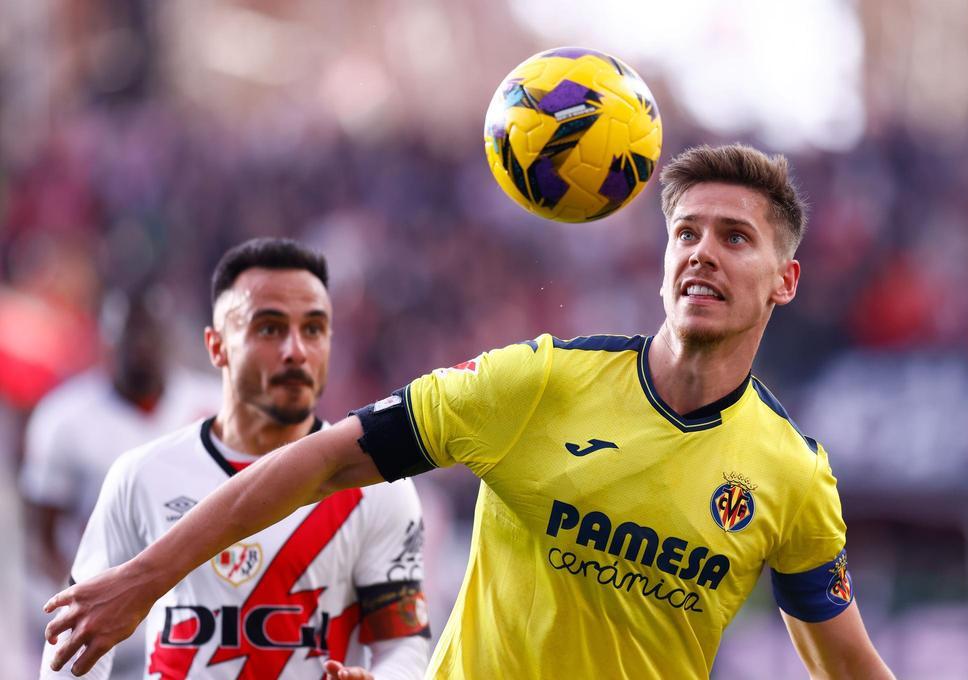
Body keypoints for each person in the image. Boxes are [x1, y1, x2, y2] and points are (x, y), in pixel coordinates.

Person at [45, 145, 892, 679]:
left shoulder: (791, 475)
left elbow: (845, 664)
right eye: (686, 233)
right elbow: (325, 459)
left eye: (735, 237)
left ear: (785, 281)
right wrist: (143, 577)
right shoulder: (538, 385)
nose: (702, 250)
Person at [42, 238, 430, 679]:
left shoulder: (377, 489)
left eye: (314, 329)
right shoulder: (141, 475)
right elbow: (73, 640)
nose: (296, 351)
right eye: (269, 328)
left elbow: (404, 643)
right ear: (216, 346)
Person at [22, 286, 220, 679]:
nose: (142, 345)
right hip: (104, 621)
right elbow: (42, 535)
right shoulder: (64, 418)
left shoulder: (213, 406)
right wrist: (81, 597)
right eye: (132, 334)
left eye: (152, 333)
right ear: (108, 341)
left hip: (197, 616)